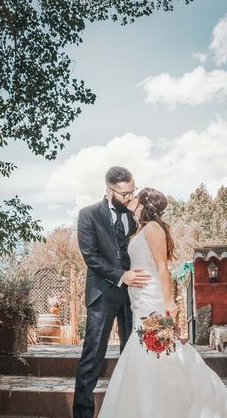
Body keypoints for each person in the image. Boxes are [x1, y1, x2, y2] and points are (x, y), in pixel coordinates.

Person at [98, 187, 227, 418]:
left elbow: (162, 267)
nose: (131, 199)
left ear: (144, 204)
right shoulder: (141, 229)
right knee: (149, 353)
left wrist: (168, 301)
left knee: (157, 352)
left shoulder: (153, 228)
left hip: (151, 300)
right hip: (140, 300)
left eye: (136, 196)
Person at [72, 166, 152, 418]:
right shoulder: (88, 215)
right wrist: (120, 275)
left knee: (134, 355)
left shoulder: (135, 216)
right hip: (102, 293)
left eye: (132, 191)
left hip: (133, 297)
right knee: (92, 358)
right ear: (109, 191)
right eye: (124, 193)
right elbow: (90, 256)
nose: (129, 197)